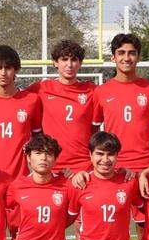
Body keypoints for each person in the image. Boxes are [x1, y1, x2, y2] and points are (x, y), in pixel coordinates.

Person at [91, 33, 149, 172]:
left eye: (131, 53)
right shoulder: (101, 91)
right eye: (121, 53)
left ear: (139, 57)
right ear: (113, 57)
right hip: (113, 165)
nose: (126, 58)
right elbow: (93, 131)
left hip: (145, 166)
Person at [26, 40, 98, 174]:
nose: (69, 64)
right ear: (55, 62)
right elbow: (14, 100)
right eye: (64, 59)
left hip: (84, 167)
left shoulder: (92, 91)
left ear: (80, 63)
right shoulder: (41, 88)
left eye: (74, 60)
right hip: (51, 166)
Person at [0, 45, 42, 177]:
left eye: (8, 68)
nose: (3, 73)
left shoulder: (32, 100)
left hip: (22, 177)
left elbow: (38, 138)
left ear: (16, 70)